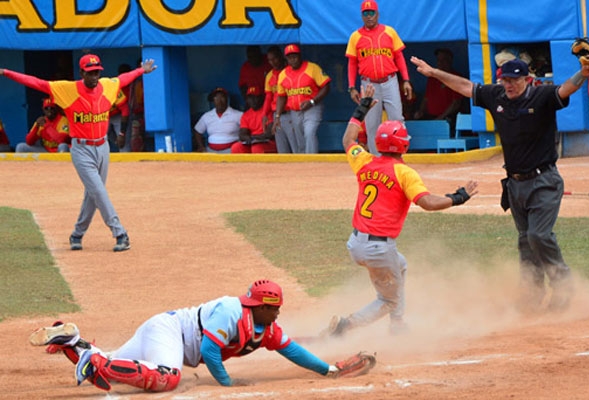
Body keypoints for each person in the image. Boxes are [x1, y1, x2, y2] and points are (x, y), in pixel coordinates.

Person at [411, 56, 589, 313]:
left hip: (544, 181)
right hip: (515, 184)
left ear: (527, 79)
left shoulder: (541, 97)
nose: (508, 85)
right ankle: (531, 295)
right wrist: (433, 72)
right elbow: (465, 86)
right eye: (504, 80)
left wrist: (583, 73)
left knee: (538, 235)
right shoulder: (496, 97)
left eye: (514, 80)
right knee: (525, 242)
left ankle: (563, 284)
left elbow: (566, 88)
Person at [328, 84, 478, 337]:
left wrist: (362, 107)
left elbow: (348, 140)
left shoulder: (365, 162)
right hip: (378, 248)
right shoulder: (404, 173)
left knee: (402, 264)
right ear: (404, 146)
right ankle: (347, 325)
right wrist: (459, 197)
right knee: (388, 300)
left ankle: (397, 325)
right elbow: (427, 203)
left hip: (356, 243)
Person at [29, 280, 350, 392]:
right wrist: (226, 382)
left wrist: (329, 370)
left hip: (165, 331)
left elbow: (293, 351)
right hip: (170, 333)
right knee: (168, 378)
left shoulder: (265, 327)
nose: (278, 313)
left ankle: (73, 342)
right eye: (274, 308)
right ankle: (95, 360)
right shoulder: (230, 311)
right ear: (259, 306)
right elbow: (210, 351)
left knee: (118, 360)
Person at [0, 54, 157, 252]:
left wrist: (142, 70)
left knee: (92, 194)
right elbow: (37, 83)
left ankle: (77, 234)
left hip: (103, 147)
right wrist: (6, 72)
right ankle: (120, 233)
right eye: (90, 73)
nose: (94, 76)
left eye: (97, 72)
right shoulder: (68, 89)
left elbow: (125, 78)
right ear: (82, 72)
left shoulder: (108, 85)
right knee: (99, 191)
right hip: (81, 149)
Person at [346, 0, 413, 156]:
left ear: (377, 14)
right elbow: (352, 63)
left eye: (372, 13)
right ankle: (377, 160)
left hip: (389, 81)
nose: (369, 16)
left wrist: (407, 80)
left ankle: (400, 156)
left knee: (397, 119)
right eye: (365, 13)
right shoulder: (355, 36)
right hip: (369, 84)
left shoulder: (389, 32)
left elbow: (399, 57)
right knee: (371, 124)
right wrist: (351, 87)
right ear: (362, 16)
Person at [274, 44, 331, 154]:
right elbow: (281, 97)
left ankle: (312, 161)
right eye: (290, 57)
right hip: (295, 111)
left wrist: (312, 101)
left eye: (295, 56)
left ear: (300, 56)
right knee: (301, 141)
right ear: (286, 59)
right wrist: (277, 116)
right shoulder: (283, 74)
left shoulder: (312, 68)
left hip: (312, 107)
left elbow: (326, 86)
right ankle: (304, 166)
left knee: (309, 132)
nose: (293, 59)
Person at [413, 48, 464, 129]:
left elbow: (456, 103)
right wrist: (421, 111)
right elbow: (426, 99)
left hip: (448, 118)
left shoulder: (456, 77)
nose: (441, 63)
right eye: (439, 60)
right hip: (431, 117)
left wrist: (441, 117)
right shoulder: (432, 78)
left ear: (450, 61)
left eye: (444, 60)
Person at [193, 87, 243, 153]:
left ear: (227, 99)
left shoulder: (238, 114)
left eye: (222, 97)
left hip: (231, 151)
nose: (219, 100)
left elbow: (247, 131)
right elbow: (197, 131)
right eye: (216, 97)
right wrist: (201, 147)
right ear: (213, 100)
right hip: (211, 151)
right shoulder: (207, 116)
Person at [231, 85, 277, 153]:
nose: (252, 100)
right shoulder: (246, 115)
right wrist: (248, 138)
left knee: (256, 148)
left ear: (261, 98)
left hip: (268, 143)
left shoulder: (267, 111)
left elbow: (269, 134)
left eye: (255, 97)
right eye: (250, 97)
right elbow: (242, 134)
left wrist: (254, 138)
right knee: (236, 147)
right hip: (253, 142)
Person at [262, 45, 290, 153]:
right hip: (277, 114)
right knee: (282, 148)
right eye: (270, 60)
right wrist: (265, 114)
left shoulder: (289, 72)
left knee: (296, 146)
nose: (272, 62)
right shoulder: (269, 75)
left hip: (290, 112)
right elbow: (268, 97)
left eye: (275, 58)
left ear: (281, 57)